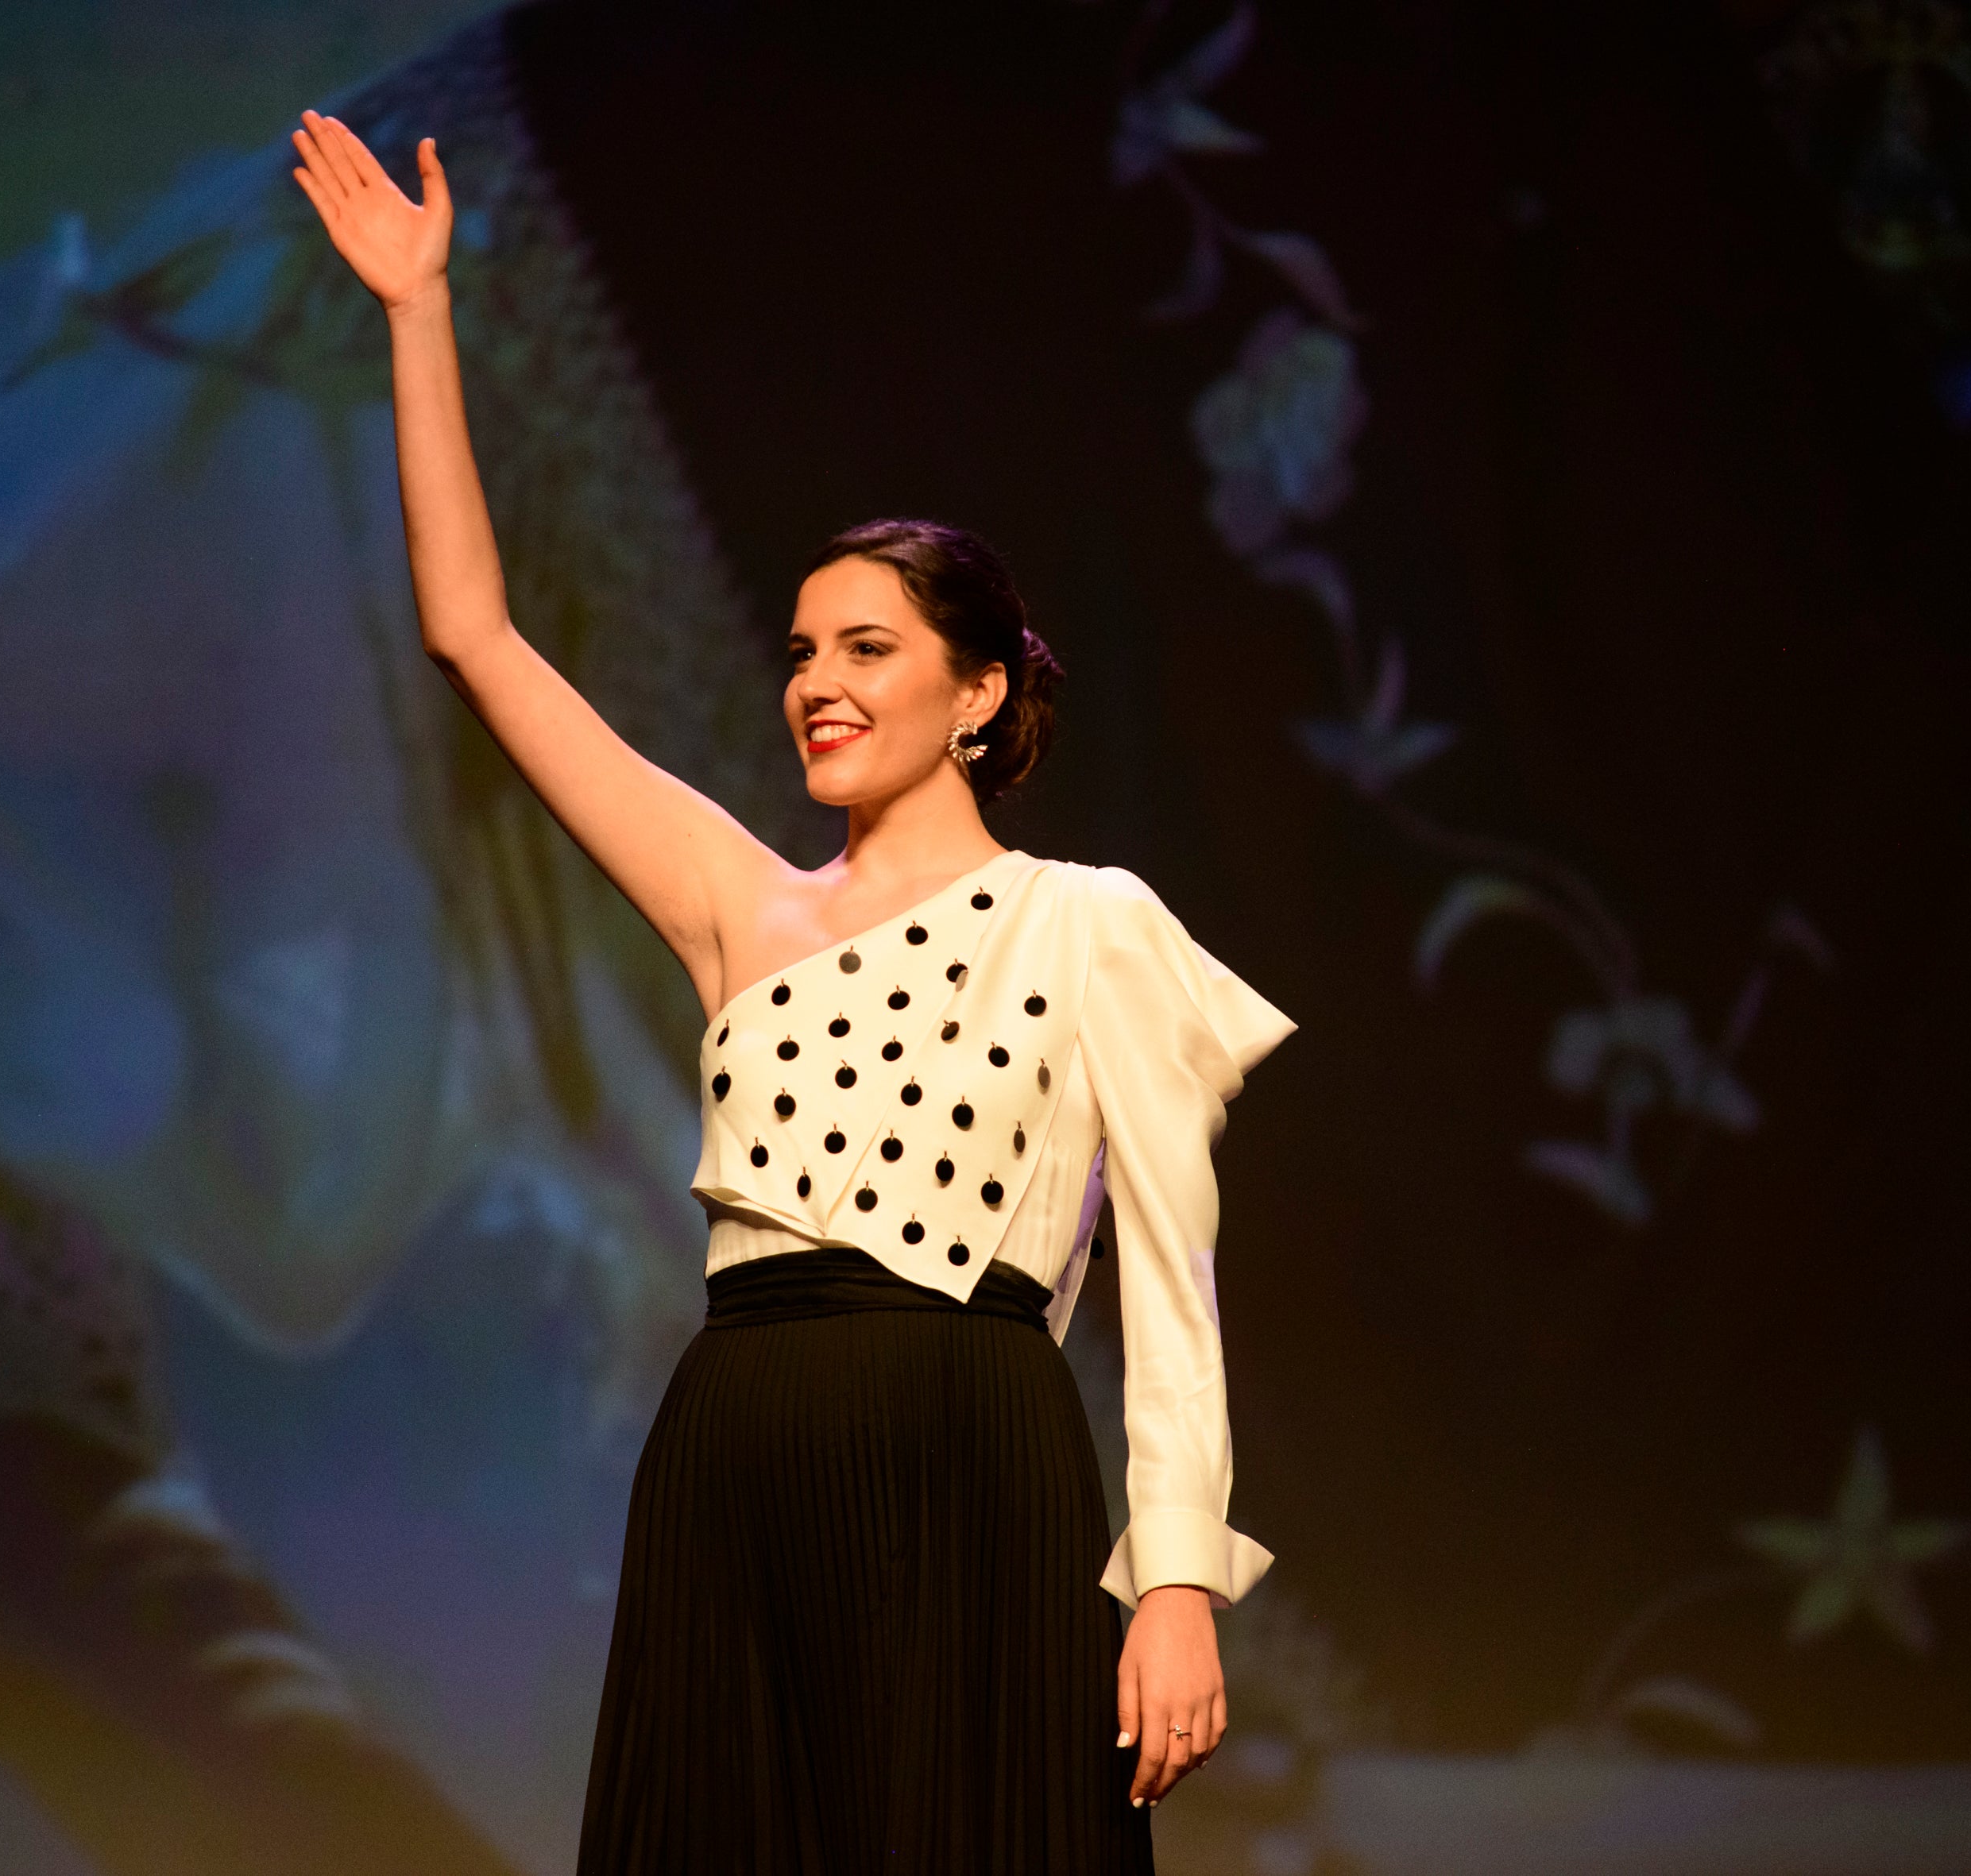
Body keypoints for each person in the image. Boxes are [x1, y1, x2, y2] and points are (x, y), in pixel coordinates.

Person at [293, 109, 1292, 1872]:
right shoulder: (734, 905)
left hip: (969, 1449)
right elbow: (473, 635)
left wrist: (1177, 1581)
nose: (815, 685)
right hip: (739, 1447)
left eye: (866, 648)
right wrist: (416, 311)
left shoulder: (1088, 922)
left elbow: (1176, 1282)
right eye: (800, 653)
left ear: (977, 693)